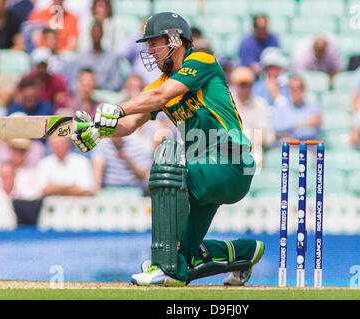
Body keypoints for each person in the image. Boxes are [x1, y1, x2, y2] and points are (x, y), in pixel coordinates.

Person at [71, 12, 264, 287]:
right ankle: (244, 252)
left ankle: (164, 265)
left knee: (167, 173)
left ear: (175, 40)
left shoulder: (202, 60)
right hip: (206, 170)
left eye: (154, 43)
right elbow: (128, 125)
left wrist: (118, 107)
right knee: (184, 258)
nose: (149, 51)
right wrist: (97, 130)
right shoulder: (160, 85)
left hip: (231, 162)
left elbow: (157, 98)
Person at [230, 66, 274, 166]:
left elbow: (264, 132)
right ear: (235, 85)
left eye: (249, 84)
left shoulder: (260, 104)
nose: (246, 88)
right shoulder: (228, 104)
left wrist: (247, 146)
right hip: (231, 147)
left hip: (253, 148)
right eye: (242, 84)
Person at [70, 21, 123, 93]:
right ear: (90, 34)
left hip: (105, 95)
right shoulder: (81, 57)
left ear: (103, 34)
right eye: (94, 32)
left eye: (98, 32)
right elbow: (72, 83)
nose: (96, 35)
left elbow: (117, 83)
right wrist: (86, 87)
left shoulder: (111, 57)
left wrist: (100, 86)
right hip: (85, 96)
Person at [270, 76, 322, 142]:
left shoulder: (313, 109)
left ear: (303, 90)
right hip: (286, 147)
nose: (295, 91)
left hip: (308, 145)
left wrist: (290, 131)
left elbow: (312, 131)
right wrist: (306, 123)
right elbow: (277, 129)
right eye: (292, 89)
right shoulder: (280, 108)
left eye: (298, 88)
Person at [19, 47, 68, 111]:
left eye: (44, 65)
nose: (41, 69)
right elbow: (19, 99)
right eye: (39, 65)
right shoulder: (26, 79)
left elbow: (61, 100)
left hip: (50, 110)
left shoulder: (56, 80)